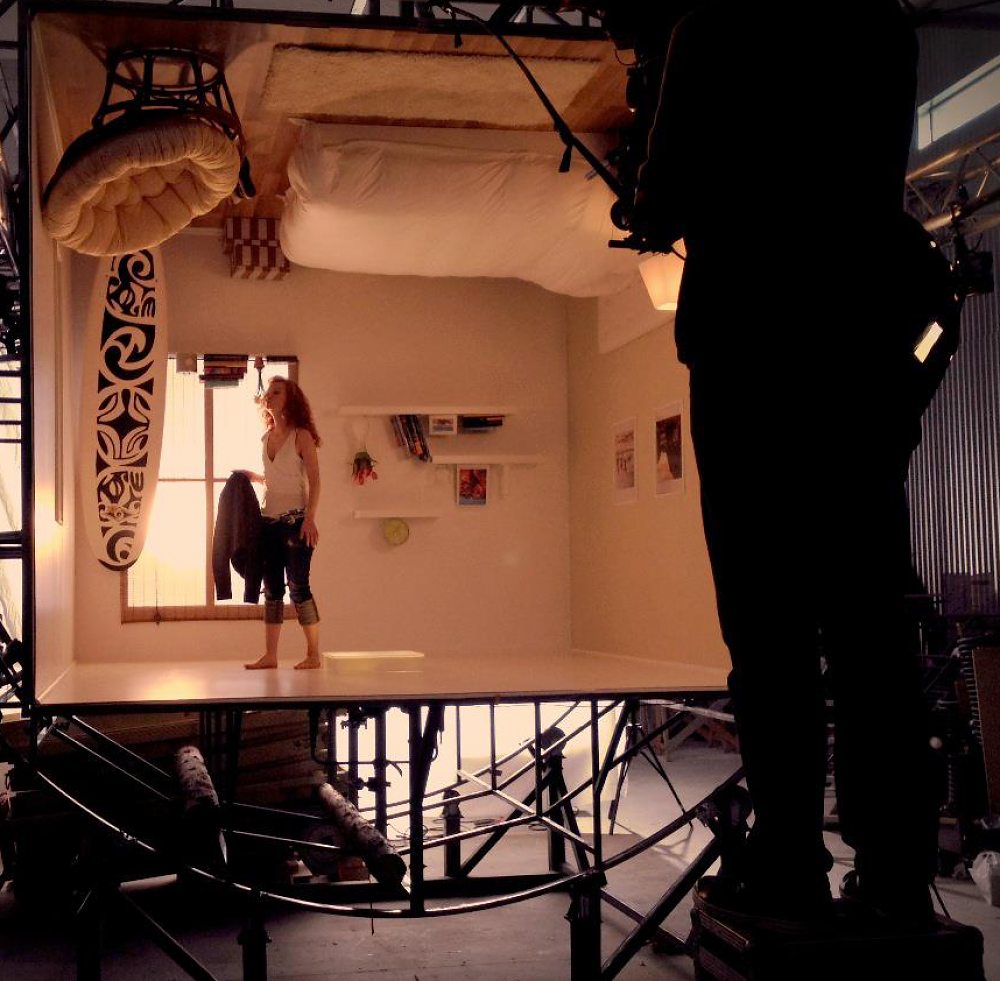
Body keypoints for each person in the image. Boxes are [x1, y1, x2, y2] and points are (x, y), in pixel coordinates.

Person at [631, 0, 950, 930]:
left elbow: (662, 199)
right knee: (871, 636)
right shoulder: (882, 26)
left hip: (750, 365)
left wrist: (649, 200)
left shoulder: (713, 29)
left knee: (768, 637)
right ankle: (895, 875)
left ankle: (789, 864)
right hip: (859, 367)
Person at [242, 376, 323, 670]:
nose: (269, 396)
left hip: (295, 522)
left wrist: (310, 519)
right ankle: (270, 655)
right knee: (272, 589)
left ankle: (313, 654)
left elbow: (315, 480)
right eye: (269, 392)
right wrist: (254, 477)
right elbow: (278, 477)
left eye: (277, 392)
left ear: (290, 400)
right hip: (268, 523)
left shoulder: (302, 436)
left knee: (298, 586)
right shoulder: (266, 438)